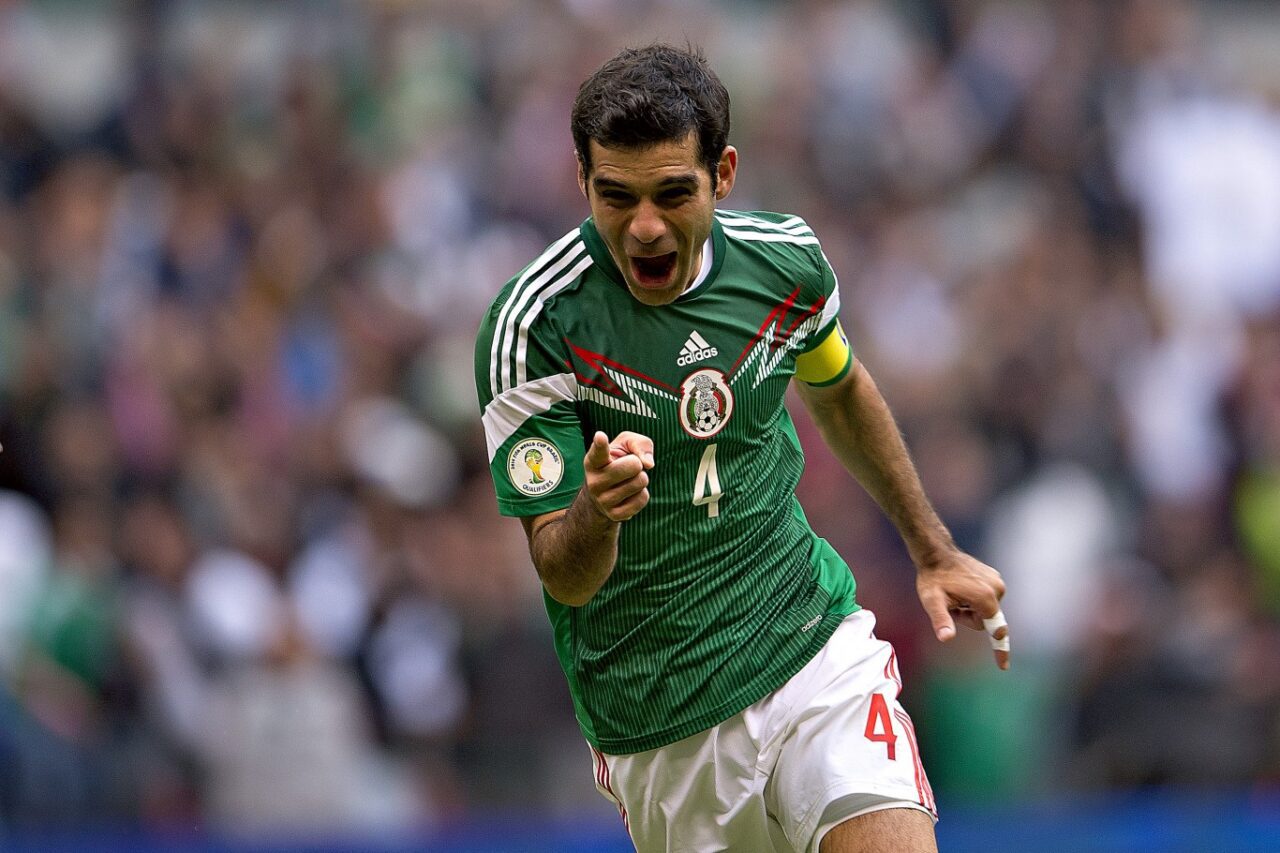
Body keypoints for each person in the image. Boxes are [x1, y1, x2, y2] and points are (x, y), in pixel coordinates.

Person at [474, 43, 1009, 853]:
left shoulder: (784, 263)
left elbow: (838, 386)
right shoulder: (534, 325)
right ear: (582, 180)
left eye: (672, 194)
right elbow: (564, 571)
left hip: (810, 646)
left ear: (721, 175)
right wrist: (598, 509)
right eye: (616, 195)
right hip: (662, 720)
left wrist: (932, 548)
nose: (644, 227)